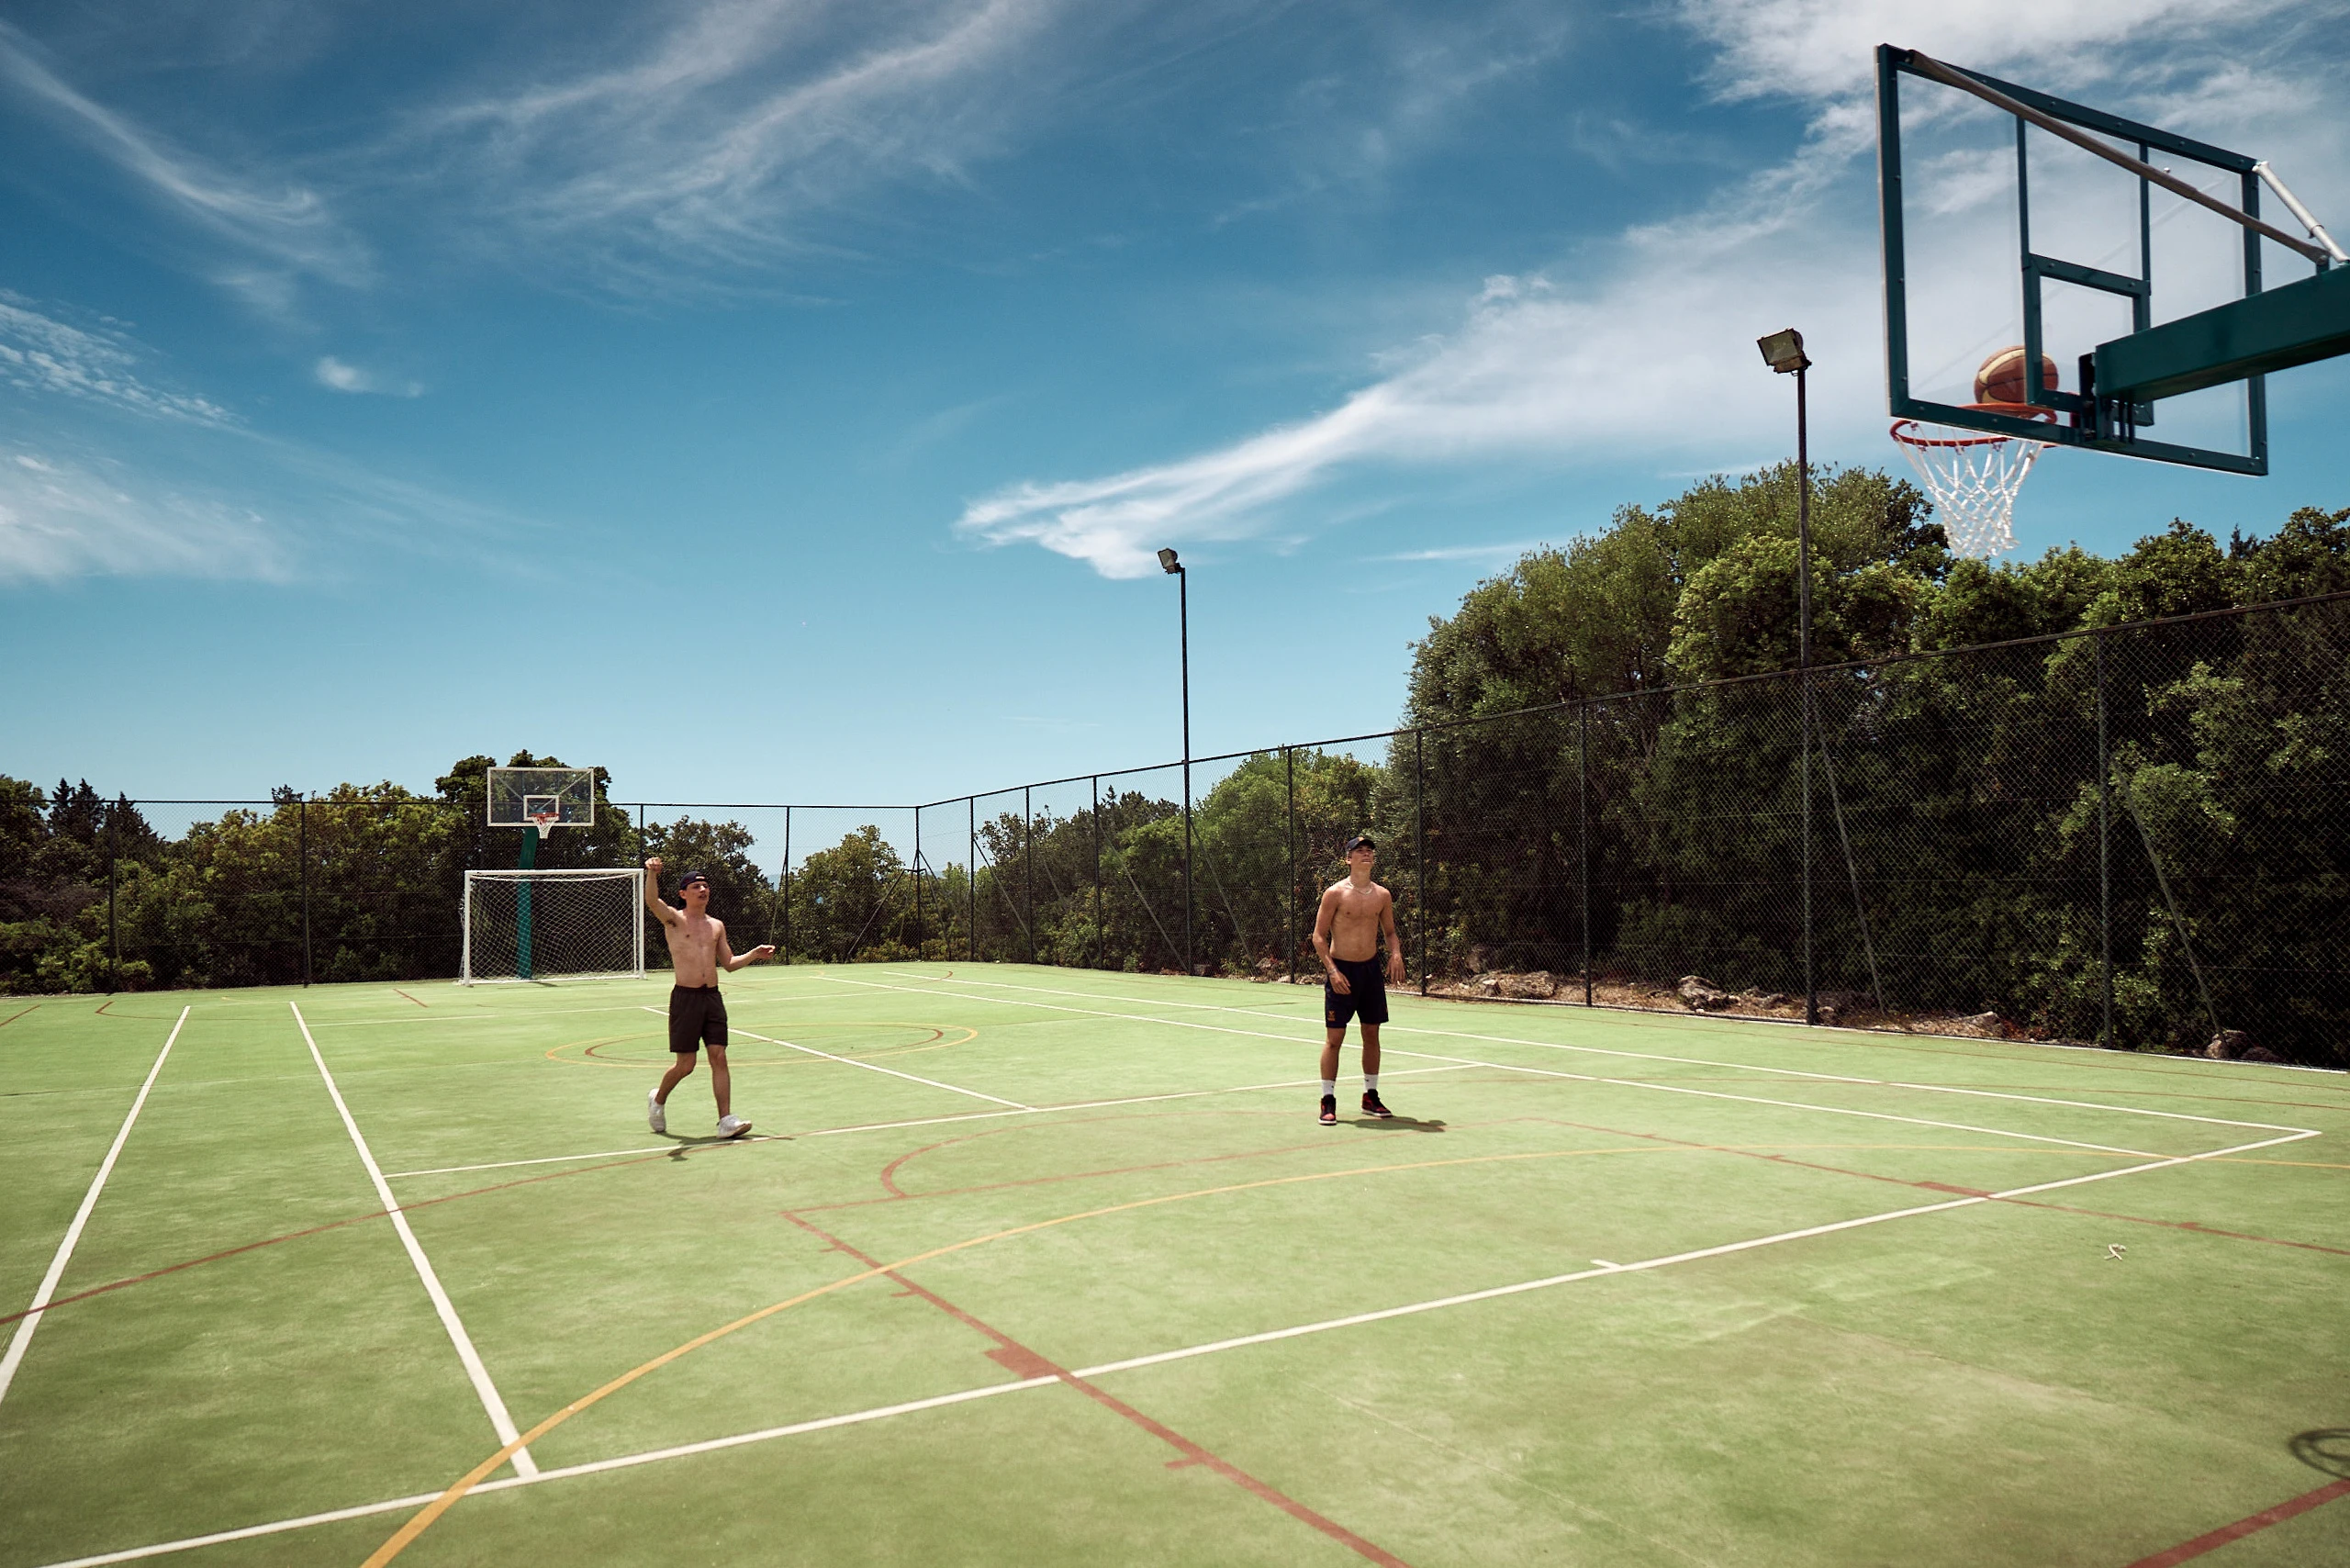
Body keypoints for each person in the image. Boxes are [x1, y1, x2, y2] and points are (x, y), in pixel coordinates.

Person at [643, 857, 775, 1137]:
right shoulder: (674, 920)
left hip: (712, 999)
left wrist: (754, 954)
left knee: (719, 1056)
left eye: (705, 886)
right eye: (696, 886)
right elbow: (652, 901)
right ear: (683, 894)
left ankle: (726, 1120)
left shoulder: (717, 925)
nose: (703, 890)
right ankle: (658, 1098)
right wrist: (652, 873)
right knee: (686, 1065)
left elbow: (728, 963)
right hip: (685, 999)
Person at [1311, 834, 1404, 1125]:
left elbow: (1389, 932)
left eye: (1369, 851)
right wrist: (1332, 971)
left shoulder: (1382, 896)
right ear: (1348, 859)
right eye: (1359, 851)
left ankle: (1370, 1096)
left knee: (1372, 1034)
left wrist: (1396, 953)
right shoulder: (1335, 894)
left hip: (1370, 973)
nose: (1366, 854)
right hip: (1342, 971)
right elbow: (1318, 937)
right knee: (1335, 1039)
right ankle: (1327, 1100)